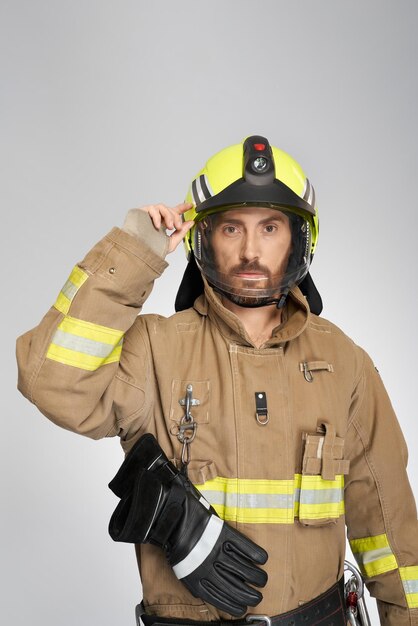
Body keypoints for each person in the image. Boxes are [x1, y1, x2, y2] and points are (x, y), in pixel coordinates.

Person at [16, 136, 418, 626]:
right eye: (231, 228)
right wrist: (134, 251)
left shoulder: (343, 361)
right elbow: (50, 381)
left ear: (299, 238)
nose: (251, 250)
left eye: (270, 227)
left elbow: (387, 523)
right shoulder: (154, 350)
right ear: (201, 238)